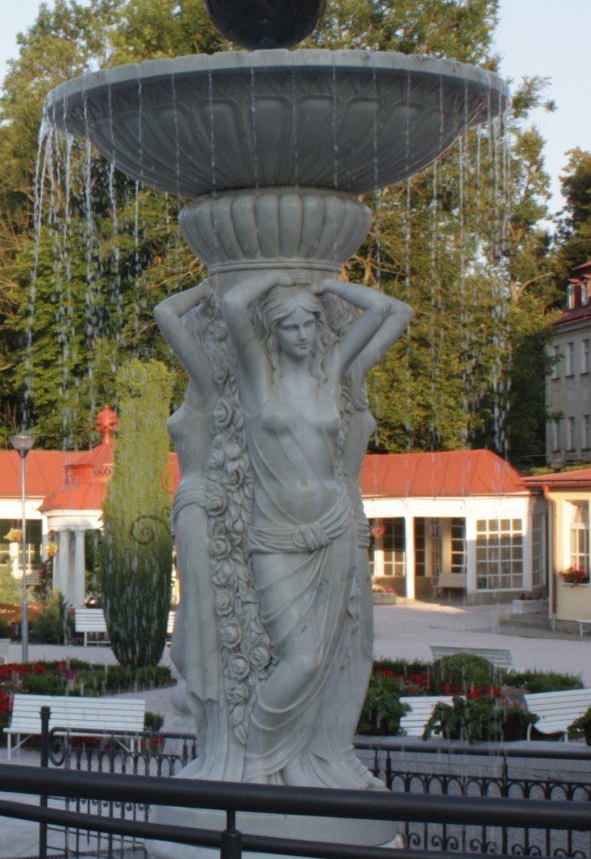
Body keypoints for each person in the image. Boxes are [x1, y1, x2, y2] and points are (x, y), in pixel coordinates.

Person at [160, 271, 408, 786]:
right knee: (303, 656)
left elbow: (387, 309)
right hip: (274, 537)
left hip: (334, 527)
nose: (302, 335)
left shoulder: (332, 371)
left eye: (310, 326)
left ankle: (314, 758)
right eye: (291, 326)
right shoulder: (258, 380)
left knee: (329, 655)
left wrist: (325, 286)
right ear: (274, 333)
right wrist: (277, 276)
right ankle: (256, 754)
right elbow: (233, 305)